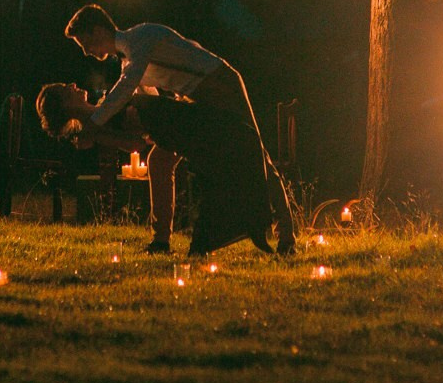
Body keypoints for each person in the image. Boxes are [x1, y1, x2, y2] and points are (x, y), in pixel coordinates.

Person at [64, 4, 296, 255]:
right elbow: (147, 105)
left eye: (84, 43)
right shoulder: (129, 61)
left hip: (220, 84)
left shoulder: (141, 38)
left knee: (258, 154)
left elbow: (126, 87)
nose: (86, 52)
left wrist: (94, 123)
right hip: (195, 100)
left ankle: (286, 235)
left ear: (98, 31)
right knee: (159, 161)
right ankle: (161, 241)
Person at [36, 82, 274, 257]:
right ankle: (168, 239)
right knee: (167, 162)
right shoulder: (96, 123)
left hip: (173, 121)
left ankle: (243, 225)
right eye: (67, 88)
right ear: (65, 104)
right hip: (173, 127)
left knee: (234, 153)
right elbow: (133, 143)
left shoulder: (101, 108)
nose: (73, 85)